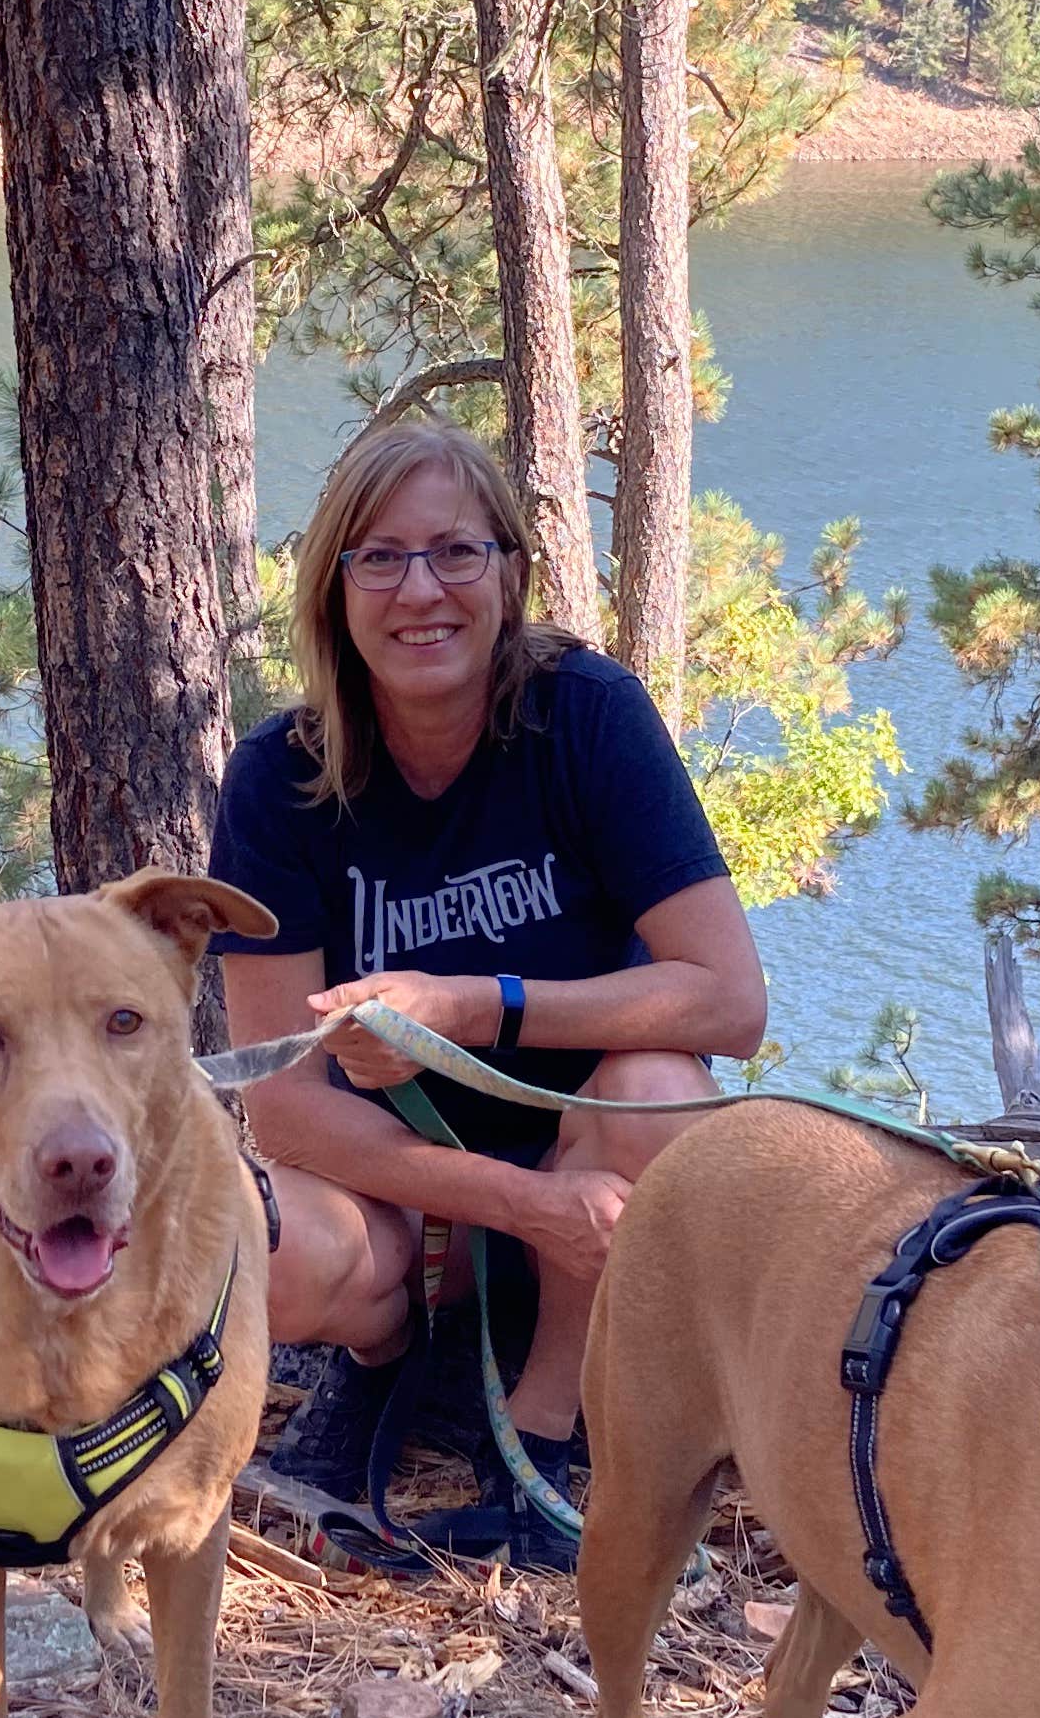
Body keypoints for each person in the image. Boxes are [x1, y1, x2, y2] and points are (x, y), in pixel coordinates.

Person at [208, 419, 766, 1568]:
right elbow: (287, 1110)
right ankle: (385, 1363)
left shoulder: (588, 720)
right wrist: (511, 1205)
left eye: (457, 552)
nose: (422, 591)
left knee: (662, 1085)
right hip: (418, 1212)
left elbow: (728, 1001)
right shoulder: (277, 780)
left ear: (511, 574)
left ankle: (550, 1432)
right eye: (380, 557)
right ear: (335, 589)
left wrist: (475, 1006)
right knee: (268, 1249)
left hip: (601, 1184)